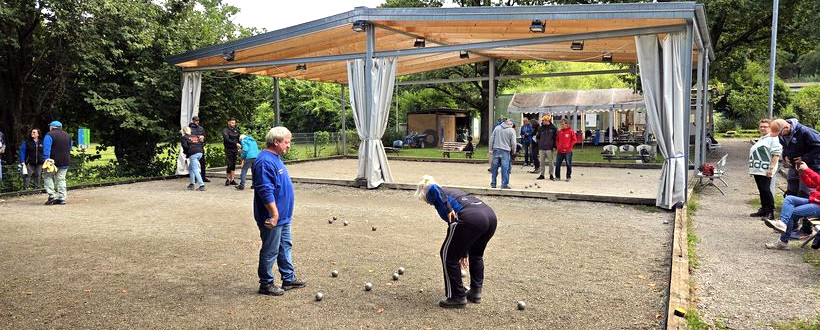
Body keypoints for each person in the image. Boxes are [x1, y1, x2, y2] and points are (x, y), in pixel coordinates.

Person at [415, 175, 497, 309]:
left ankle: (457, 296)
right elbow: (459, 233)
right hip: (489, 216)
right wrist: (463, 252)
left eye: (426, 201)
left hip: (472, 217)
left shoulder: (433, 192)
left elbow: (434, 188)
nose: (429, 203)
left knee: (448, 255)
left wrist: (447, 208)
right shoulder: (453, 193)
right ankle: (475, 292)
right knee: (476, 255)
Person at [253, 126, 306, 296]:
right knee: (270, 250)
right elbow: (264, 190)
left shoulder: (275, 158)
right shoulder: (264, 161)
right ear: (276, 142)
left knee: (285, 247)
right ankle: (266, 284)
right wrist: (274, 214)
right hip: (273, 217)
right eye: (287, 142)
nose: (289, 146)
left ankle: (288, 278)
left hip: (283, 216)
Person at [763, 161, 820, 250]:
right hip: (815, 201)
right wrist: (802, 173)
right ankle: (782, 223)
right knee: (789, 199)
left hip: (818, 205)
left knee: (792, 213)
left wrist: (807, 170)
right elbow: (812, 184)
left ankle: (783, 242)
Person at [774, 118, 820, 197]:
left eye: (780, 134)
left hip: (809, 166)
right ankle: (791, 208)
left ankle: (804, 208)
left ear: (786, 127)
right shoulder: (782, 133)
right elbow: (785, 147)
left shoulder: (805, 131)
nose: (780, 136)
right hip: (794, 166)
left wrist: (804, 158)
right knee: (791, 191)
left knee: (804, 192)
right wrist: (785, 155)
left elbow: (818, 147)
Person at [748, 119, 782, 220]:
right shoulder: (763, 138)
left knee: (766, 189)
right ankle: (764, 209)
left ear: (770, 128)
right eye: (761, 126)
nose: (762, 128)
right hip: (758, 169)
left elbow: (776, 153)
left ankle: (770, 212)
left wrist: (771, 168)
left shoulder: (773, 138)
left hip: (765, 169)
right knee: (761, 189)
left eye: (765, 126)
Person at [42, 121, 71, 205]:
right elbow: (70, 148)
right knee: (61, 179)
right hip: (65, 160)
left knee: (47, 176)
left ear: (52, 127)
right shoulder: (67, 135)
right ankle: (62, 198)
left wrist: (46, 158)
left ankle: (52, 195)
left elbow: (46, 148)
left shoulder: (49, 135)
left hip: (52, 161)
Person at [488, 119, 516, 189]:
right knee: (505, 168)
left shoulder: (497, 128)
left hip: (496, 149)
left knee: (494, 168)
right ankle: (504, 184)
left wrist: (491, 149)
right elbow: (513, 143)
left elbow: (491, 139)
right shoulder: (511, 130)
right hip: (505, 151)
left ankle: (493, 183)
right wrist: (513, 151)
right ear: (511, 124)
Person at [181, 126, 205, 191]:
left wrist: (187, 153)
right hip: (200, 152)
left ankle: (202, 185)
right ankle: (192, 184)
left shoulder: (184, 137)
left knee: (195, 169)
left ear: (183, 131)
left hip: (193, 153)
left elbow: (185, 146)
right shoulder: (195, 136)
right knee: (190, 168)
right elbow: (201, 143)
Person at [535, 115, 557, 180]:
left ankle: (551, 174)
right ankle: (542, 174)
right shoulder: (540, 128)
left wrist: (554, 146)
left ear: (548, 120)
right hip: (542, 147)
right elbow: (537, 137)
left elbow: (555, 138)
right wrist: (539, 143)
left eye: (544, 120)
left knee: (551, 162)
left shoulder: (553, 128)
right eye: (543, 120)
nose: (543, 121)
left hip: (549, 148)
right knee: (541, 162)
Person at [189, 116, 210, 182]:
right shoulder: (189, 128)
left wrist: (203, 139)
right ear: (193, 121)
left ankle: (203, 177)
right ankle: (194, 178)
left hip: (200, 147)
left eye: (198, 120)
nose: (197, 122)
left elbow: (205, 137)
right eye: (195, 120)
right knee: (194, 163)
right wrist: (198, 138)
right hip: (193, 147)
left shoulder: (201, 128)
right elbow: (188, 138)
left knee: (203, 163)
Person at [223, 117, 241, 186]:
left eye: (234, 123)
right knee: (229, 164)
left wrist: (239, 147)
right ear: (229, 123)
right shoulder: (225, 130)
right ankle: (227, 179)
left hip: (235, 149)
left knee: (233, 164)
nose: (233, 124)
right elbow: (227, 139)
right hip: (228, 149)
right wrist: (235, 143)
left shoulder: (236, 130)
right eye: (232, 122)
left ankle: (232, 179)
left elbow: (239, 139)